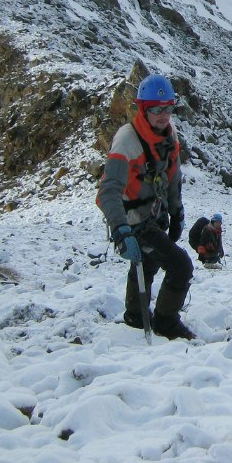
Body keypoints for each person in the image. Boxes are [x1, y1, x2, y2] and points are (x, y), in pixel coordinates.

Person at [97, 74, 195, 340]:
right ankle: (165, 322)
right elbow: (107, 192)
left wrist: (177, 212)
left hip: (155, 214)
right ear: (143, 108)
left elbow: (173, 175)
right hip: (134, 220)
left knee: (148, 263)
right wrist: (120, 230)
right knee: (181, 266)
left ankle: (135, 315)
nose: (164, 115)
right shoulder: (126, 141)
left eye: (168, 108)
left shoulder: (168, 133)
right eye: (156, 109)